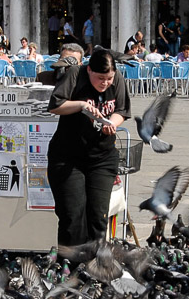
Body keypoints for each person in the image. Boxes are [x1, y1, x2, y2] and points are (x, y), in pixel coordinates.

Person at [47, 49, 131, 245]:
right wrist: (81, 106)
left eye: (109, 78)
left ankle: (97, 265)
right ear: (89, 70)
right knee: (72, 216)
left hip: (102, 158)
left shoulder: (116, 78)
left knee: (98, 216)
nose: (105, 83)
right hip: (68, 157)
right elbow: (55, 105)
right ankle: (71, 266)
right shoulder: (75, 74)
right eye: (101, 78)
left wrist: (113, 123)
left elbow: (122, 110)